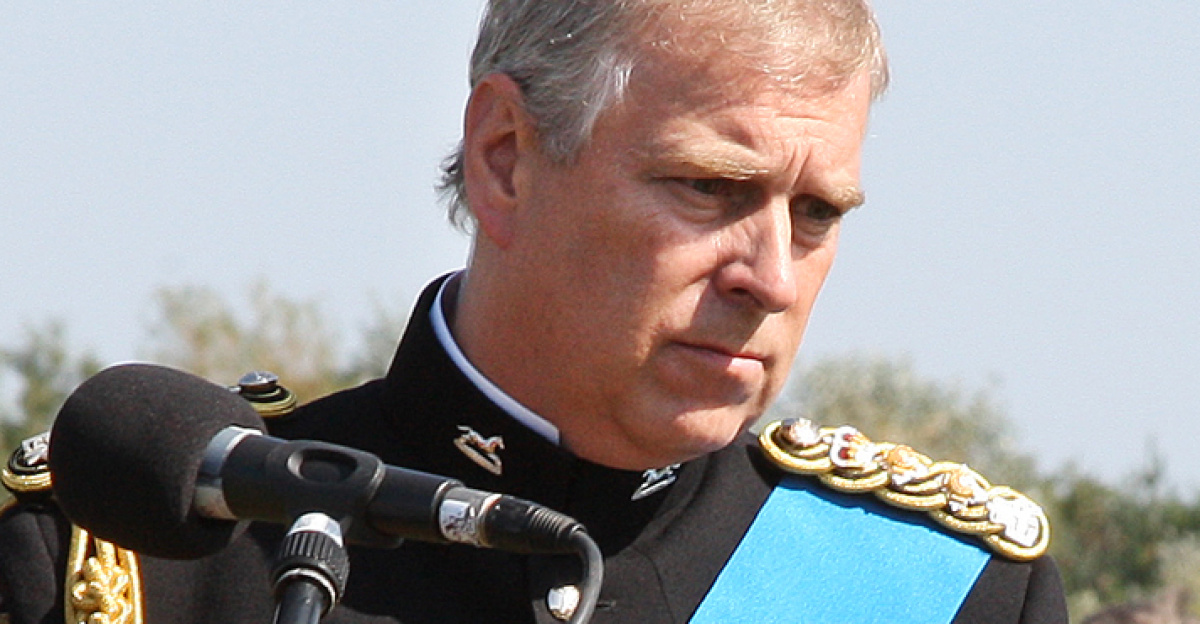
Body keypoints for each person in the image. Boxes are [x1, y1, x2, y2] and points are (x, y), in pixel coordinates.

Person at [1, 1, 1068, 622]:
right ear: (506, 158)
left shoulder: (935, 592)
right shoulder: (135, 553)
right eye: (710, 187)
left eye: (819, 213)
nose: (772, 276)